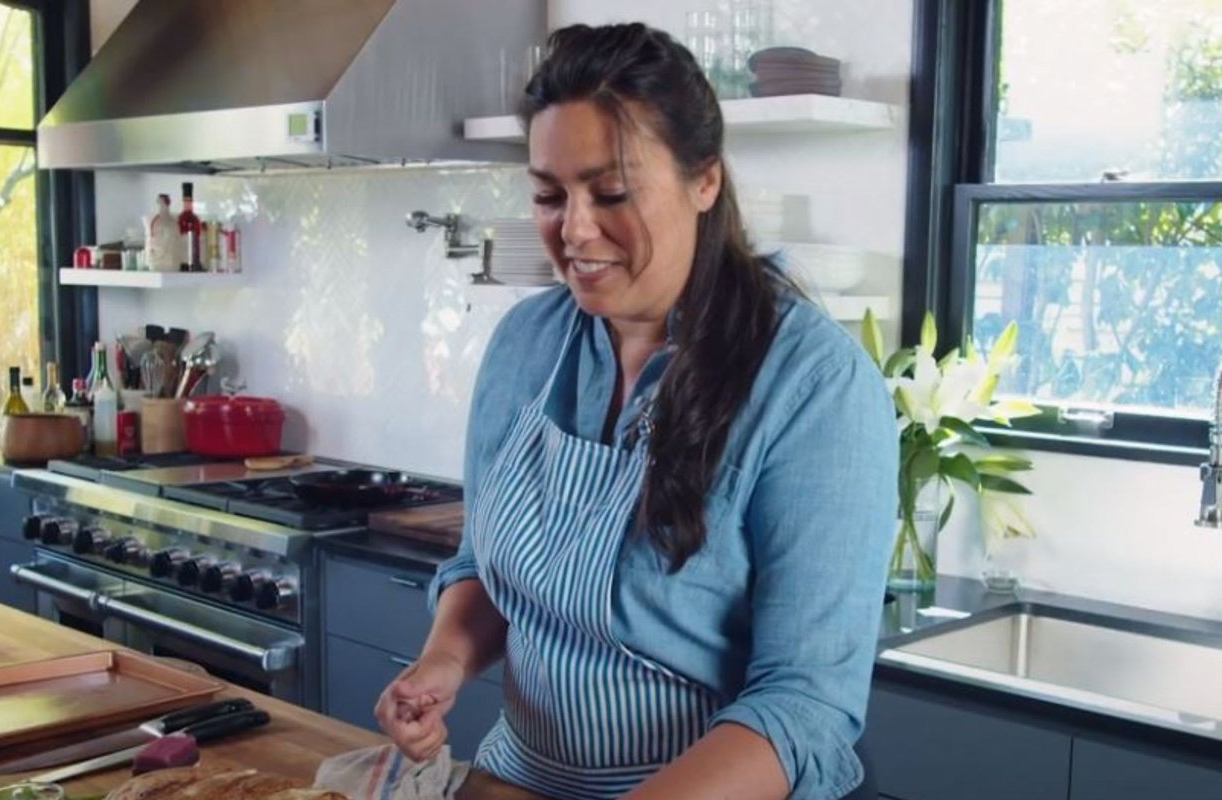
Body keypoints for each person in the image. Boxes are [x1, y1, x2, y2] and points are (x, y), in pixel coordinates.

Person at [376, 22, 897, 800]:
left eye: (611, 193)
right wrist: (445, 661)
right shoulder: (527, 344)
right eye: (550, 195)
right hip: (517, 778)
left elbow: (805, 705)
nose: (574, 230)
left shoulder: (813, 386)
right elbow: (484, 566)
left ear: (705, 182)